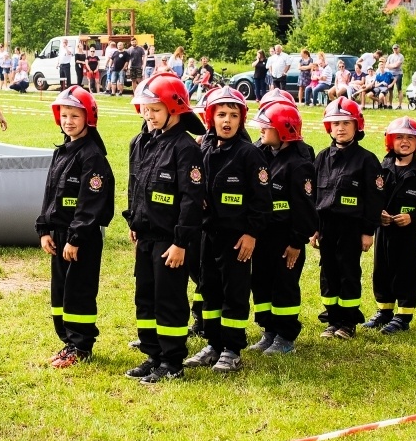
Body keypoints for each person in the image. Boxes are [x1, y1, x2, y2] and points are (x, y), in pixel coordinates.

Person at [124, 72, 206, 384]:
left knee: (168, 298)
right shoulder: (141, 142)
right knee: (145, 296)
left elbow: (191, 199)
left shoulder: (186, 149)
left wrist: (181, 241)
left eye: (155, 109)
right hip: (145, 235)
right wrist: (133, 220)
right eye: (145, 108)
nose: (148, 114)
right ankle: (152, 354)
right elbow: (135, 185)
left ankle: (172, 361)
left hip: (171, 241)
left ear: (175, 109)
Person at [183, 87, 271, 372]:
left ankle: (232, 349)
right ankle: (213, 343)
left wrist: (252, 234)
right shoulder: (204, 150)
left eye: (233, 115)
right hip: (209, 234)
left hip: (237, 238)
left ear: (241, 119)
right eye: (221, 114)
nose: (227, 121)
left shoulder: (250, 155)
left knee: (234, 292)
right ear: (210, 117)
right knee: (209, 289)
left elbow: (262, 200)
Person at [37, 86, 115, 368]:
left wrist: (76, 238)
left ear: (88, 118)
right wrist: (44, 228)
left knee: (78, 291)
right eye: (64, 115)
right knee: (60, 292)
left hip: (80, 239)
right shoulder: (62, 151)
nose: (68, 121)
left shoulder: (92, 157)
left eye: (75, 116)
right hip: (59, 235)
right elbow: (50, 193)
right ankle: (68, 343)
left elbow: (90, 204)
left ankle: (81, 346)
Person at [311, 97, 385, 339]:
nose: (340, 128)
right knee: (328, 272)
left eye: (346, 123)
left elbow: (374, 199)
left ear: (357, 126)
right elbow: (312, 195)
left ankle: (348, 321)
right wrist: (313, 228)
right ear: (328, 128)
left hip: (351, 227)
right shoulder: (321, 158)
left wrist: (368, 231)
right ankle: (332, 318)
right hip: (326, 227)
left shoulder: (367, 160)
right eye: (335, 123)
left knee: (348, 272)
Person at [248, 100, 317, 355]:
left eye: (267, 127)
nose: (261, 131)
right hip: (263, 236)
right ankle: (268, 331)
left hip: (286, 239)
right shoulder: (263, 154)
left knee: (284, 285)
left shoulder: (299, 165)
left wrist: (297, 242)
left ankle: (285, 336)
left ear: (284, 130)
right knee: (261, 283)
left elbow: (306, 209)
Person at [363, 117, 416, 334]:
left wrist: (413, 217)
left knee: (406, 271)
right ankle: (384, 311)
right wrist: (378, 214)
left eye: (410, 138)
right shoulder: (380, 169)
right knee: (382, 270)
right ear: (390, 141)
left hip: (407, 234)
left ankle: (403, 316)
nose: (404, 142)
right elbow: (371, 196)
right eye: (399, 137)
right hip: (383, 231)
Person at [385, 44, 405, 109]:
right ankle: (390, 104)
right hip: (391, 74)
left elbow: (397, 65)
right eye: (394, 48)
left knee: (399, 89)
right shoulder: (390, 56)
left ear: (399, 48)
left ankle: (400, 105)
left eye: (396, 48)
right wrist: (392, 66)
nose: (395, 50)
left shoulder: (401, 56)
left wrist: (391, 66)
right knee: (390, 90)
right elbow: (386, 65)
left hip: (398, 74)